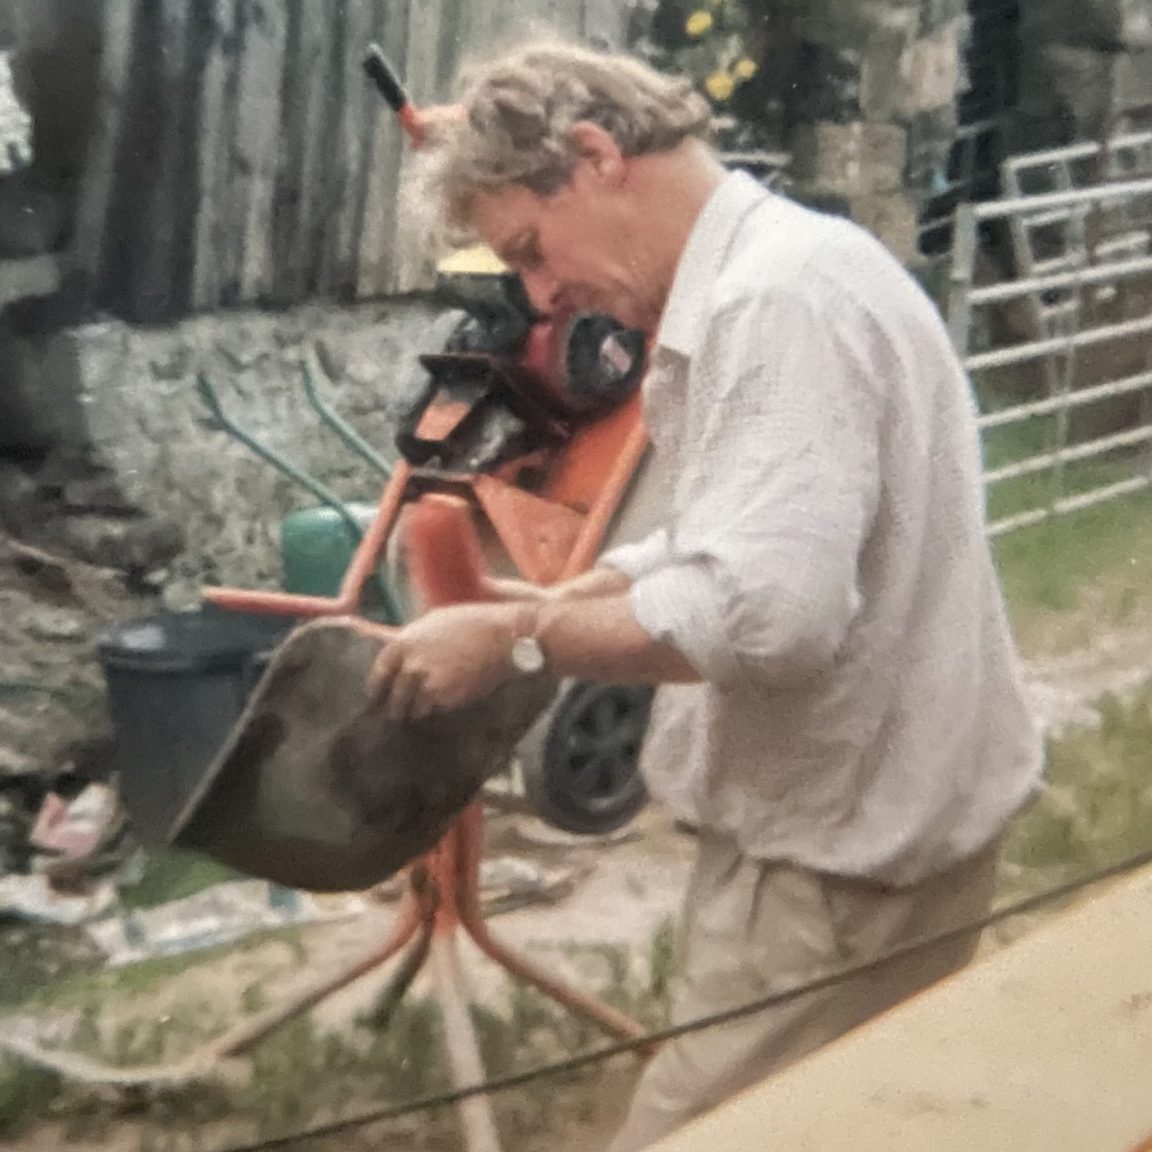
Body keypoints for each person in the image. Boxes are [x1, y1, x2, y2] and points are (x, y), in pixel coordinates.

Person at [370, 42, 1043, 1151]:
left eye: (532, 252)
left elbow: (768, 615)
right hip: (878, 822)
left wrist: (522, 638)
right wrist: (593, 584)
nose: (541, 295)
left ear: (594, 156)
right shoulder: (794, 266)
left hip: (839, 860)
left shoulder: (772, 307)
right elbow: (750, 533)